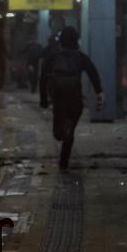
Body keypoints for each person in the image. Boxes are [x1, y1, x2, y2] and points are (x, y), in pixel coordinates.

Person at [39, 26, 104, 170]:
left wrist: (43, 98)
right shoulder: (81, 57)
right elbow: (93, 73)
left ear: (61, 41)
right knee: (71, 130)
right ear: (76, 41)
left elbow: (43, 76)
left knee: (57, 134)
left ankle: (63, 132)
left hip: (59, 98)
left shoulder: (54, 56)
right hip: (75, 99)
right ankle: (64, 163)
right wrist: (99, 92)